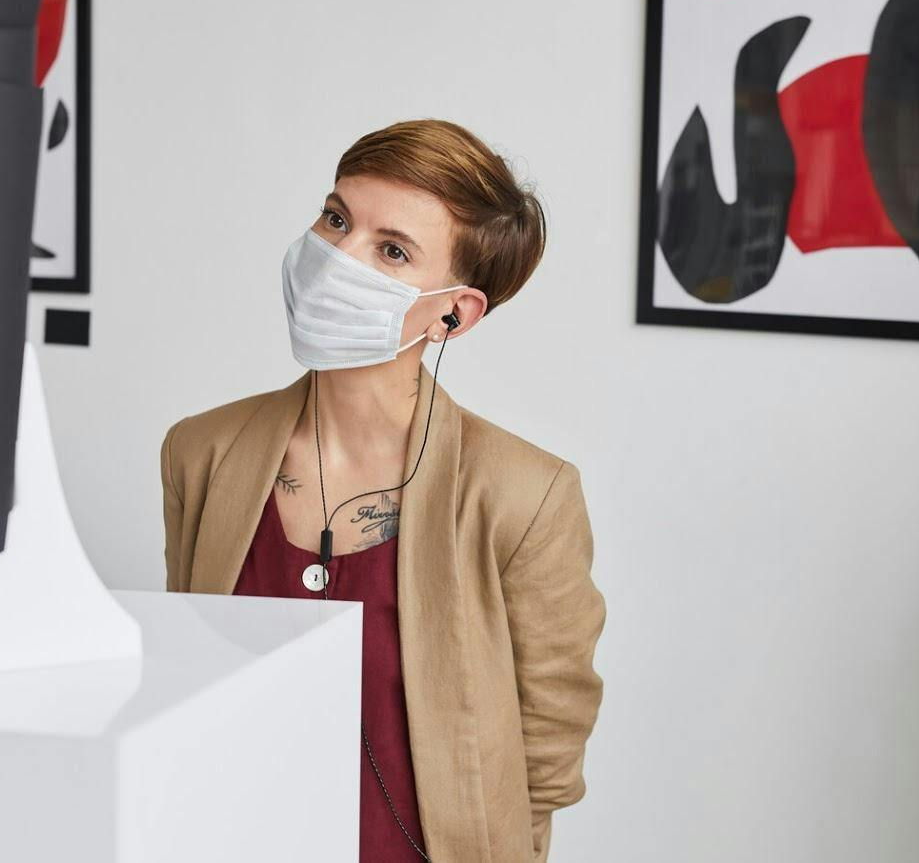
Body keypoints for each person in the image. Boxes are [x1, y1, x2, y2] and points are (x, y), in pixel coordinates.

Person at [159, 119, 606, 862]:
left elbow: (546, 759)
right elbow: (186, 685)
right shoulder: (201, 453)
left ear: (455, 313)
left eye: (391, 250)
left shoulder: (527, 495)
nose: (337, 256)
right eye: (336, 218)